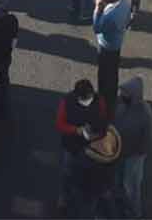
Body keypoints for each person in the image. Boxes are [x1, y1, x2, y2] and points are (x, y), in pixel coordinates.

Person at [56, 80, 109, 215]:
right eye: (86, 99)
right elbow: (60, 124)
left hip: (91, 146)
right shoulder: (67, 102)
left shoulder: (99, 100)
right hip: (72, 146)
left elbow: (103, 119)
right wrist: (76, 130)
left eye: (90, 97)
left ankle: (92, 198)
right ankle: (64, 199)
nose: (89, 101)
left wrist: (96, 133)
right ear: (77, 96)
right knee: (67, 173)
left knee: (91, 177)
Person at [115, 76, 152, 217]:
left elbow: (148, 140)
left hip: (134, 156)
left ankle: (134, 212)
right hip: (120, 150)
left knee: (132, 185)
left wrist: (137, 153)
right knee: (120, 178)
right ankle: (121, 200)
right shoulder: (121, 104)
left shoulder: (145, 114)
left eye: (125, 93)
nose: (122, 95)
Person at [93, 0, 130, 114]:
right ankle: (113, 94)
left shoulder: (109, 16)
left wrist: (97, 9)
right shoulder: (124, 3)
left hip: (107, 45)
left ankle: (103, 97)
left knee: (103, 72)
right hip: (118, 42)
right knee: (113, 70)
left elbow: (97, 28)